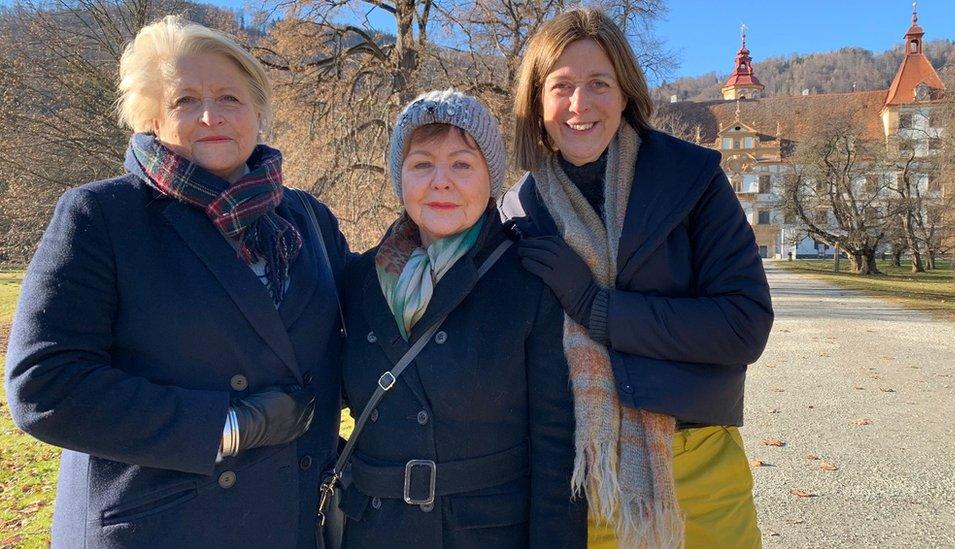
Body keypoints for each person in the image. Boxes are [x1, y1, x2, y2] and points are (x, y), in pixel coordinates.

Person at [4, 16, 350, 548]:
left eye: (230, 97)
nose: (211, 115)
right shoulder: (102, 215)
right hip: (161, 525)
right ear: (151, 120)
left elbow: (358, 334)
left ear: (258, 111)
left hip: (292, 517)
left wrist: (425, 252)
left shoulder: (308, 219)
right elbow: (43, 384)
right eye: (185, 100)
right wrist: (227, 426)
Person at [500, 9, 774, 548]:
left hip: (698, 469)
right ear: (536, 102)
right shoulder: (519, 211)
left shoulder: (691, 180)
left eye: (599, 83)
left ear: (625, 93)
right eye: (562, 87)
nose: (580, 105)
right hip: (581, 477)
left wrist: (600, 309)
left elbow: (744, 325)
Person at [337, 90, 585, 548]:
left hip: (488, 534)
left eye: (462, 164)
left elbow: (557, 448)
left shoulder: (529, 279)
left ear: (491, 177)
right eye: (422, 164)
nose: (441, 181)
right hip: (375, 531)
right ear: (400, 177)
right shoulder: (357, 280)